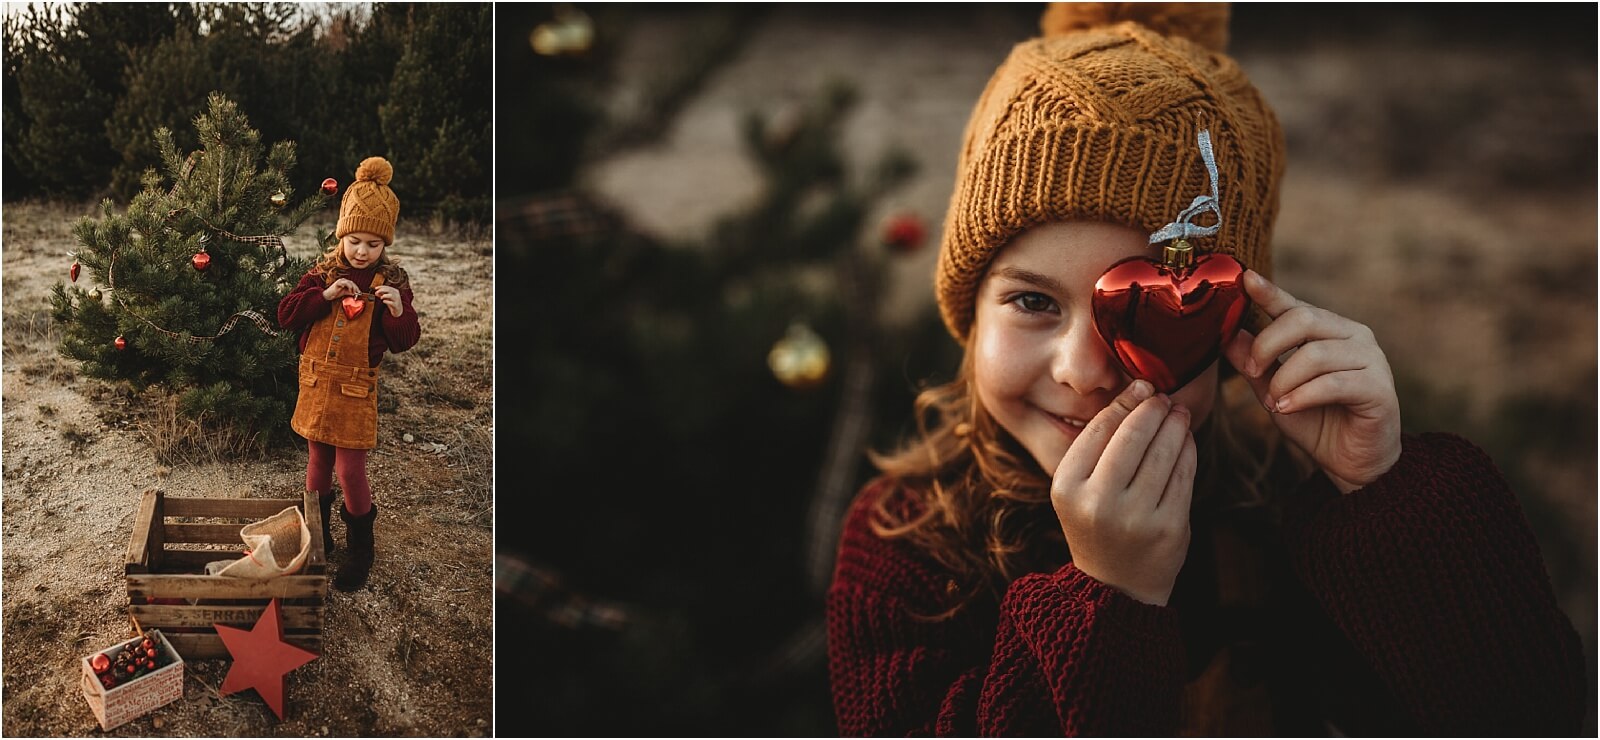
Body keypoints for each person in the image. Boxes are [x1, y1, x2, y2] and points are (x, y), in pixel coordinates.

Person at [825, 4, 1586, 735]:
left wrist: (1383, 496)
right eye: (1032, 301)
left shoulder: (1283, 502)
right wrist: (1109, 597)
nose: (1086, 370)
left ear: (1231, 322)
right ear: (970, 309)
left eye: (1149, 314)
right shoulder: (906, 542)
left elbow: (1530, 717)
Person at [278, 156, 420, 592]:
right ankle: (315, 538)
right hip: (316, 382)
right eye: (355, 240)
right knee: (317, 460)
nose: (362, 251)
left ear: (385, 245)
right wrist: (324, 295)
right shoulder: (322, 273)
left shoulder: (393, 281)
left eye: (373, 244)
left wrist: (397, 310)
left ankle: (361, 545)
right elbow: (286, 315)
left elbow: (404, 339)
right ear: (342, 234)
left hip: (357, 391)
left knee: (348, 470)